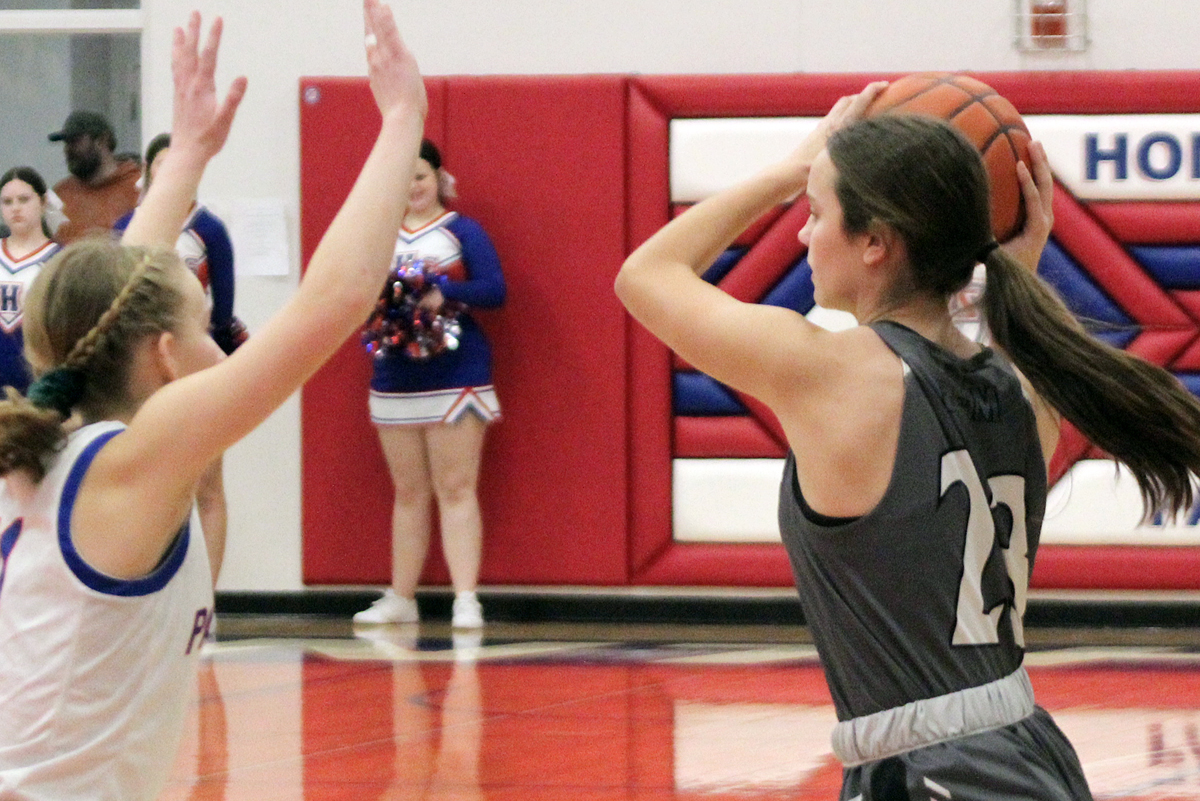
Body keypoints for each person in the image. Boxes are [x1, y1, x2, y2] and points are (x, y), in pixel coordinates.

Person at [617, 84, 1200, 799]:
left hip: (932, 772)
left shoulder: (836, 372)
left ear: (875, 242)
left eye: (815, 212)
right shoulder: (1026, 387)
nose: (802, 233)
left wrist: (785, 169)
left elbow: (644, 275)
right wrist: (1022, 255)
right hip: (1028, 747)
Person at [0, 4, 426, 800]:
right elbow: (335, 301)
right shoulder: (134, 455)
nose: (222, 347)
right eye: (205, 326)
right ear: (165, 356)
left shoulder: (64, 433)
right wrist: (403, 117)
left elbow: (118, 294)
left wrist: (187, 159)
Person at [354, 139, 506, 629]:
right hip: (395, 372)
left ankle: (466, 598)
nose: (412, 187)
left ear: (438, 177)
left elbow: (496, 289)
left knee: (457, 486)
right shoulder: (377, 234)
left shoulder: (462, 230)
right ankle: (402, 596)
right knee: (408, 491)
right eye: (403, 178)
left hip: (456, 371)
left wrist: (445, 293)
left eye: (419, 176)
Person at [115, 133, 247, 583]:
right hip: (141, 370)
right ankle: (149, 588)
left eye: (182, 162)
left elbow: (224, 313)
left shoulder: (209, 230)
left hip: (194, 367)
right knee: (148, 478)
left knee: (207, 485)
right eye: (163, 165)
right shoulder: (126, 228)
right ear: (150, 172)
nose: (174, 172)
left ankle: (206, 600)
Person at [0, 167, 61, 394]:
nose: (15, 208)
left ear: (43, 202)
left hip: (39, 386)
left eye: (24, 199)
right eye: (7, 202)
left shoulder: (60, 260)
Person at [48, 110, 141, 244]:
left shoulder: (138, 186)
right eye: (66, 143)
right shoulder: (61, 196)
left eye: (75, 142)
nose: (67, 150)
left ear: (102, 140)